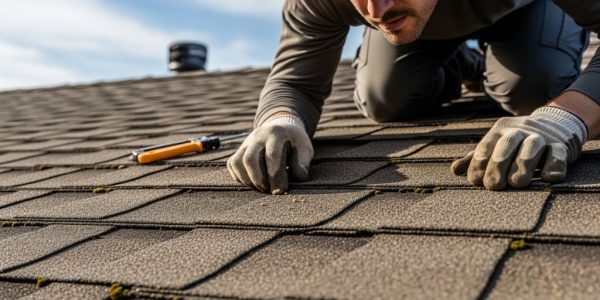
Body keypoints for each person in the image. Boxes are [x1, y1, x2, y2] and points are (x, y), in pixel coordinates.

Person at [227, 0, 600, 195]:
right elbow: (296, 83)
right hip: (426, 24)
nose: (375, 10)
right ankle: (463, 65)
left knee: (532, 91)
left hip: (530, 8)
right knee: (384, 99)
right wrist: (279, 118)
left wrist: (569, 115)